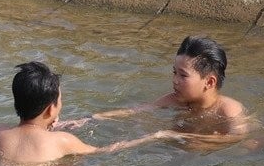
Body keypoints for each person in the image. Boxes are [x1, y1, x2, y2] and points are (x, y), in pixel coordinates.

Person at [59, 36, 250, 143]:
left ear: (209, 82)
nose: (174, 80)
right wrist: (89, 119)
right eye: (174, 72)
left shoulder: (228, 109)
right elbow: (136, 111)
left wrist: (177, 135)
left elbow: (237, 138)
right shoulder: (175, 100)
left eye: (183, 76)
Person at [0, 62, 177, 164]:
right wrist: (153, 136)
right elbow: (104, 151)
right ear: (51, 109)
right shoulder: (63, 140)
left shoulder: (0, 133)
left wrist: (48, 126)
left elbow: (28, 143)